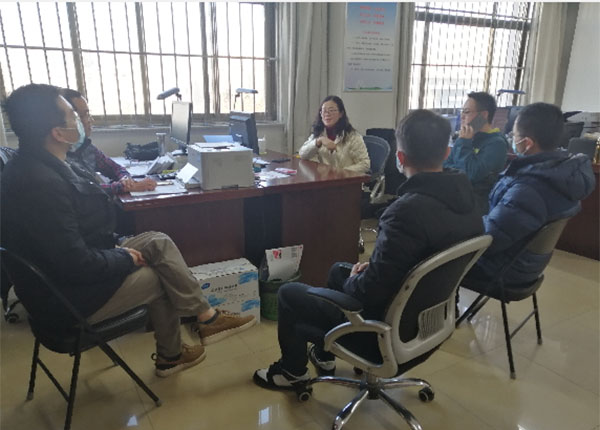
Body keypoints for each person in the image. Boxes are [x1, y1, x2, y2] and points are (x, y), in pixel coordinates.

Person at [1, 84, 256, 378]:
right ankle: (171, 356)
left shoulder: (42, 163)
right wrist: (123, 258)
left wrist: (117, 249)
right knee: (161, 275)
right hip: (66, 299)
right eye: (74, 115)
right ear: (57, 132)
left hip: (74, 270)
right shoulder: (39, 184)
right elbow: (75, 263)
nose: (82, 121)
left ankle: (207, 319)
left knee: (158, 242)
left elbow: (73, 237)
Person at [253, 109, 484, 390]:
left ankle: (291, 373)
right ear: (447, 153)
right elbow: (420, 261)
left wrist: (360, 279)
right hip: (427, 322)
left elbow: (368, 291)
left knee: (290, 293)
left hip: (385, 333)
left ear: (400, 158)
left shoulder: (406, 213)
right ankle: (324, 355)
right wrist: (372, 269)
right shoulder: (470, 202)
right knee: (339, 270)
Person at [465, 102, 595, 286]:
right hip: (527, 262)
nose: (512, 139)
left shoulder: (528, 189)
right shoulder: (562, 172)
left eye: (514, 136)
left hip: (504, 268)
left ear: (527, 143)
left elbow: (490, 240)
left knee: (435, 254)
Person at [61, 88, 156, 195]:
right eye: (83, 116)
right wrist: (123, 187)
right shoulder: (61, 155)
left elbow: (115, 168)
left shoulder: (85, 146)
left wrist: (126, 179)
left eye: (88, 114)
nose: (90, 120)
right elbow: (85, 189)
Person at [444, 91, 509, 214]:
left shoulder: (496, 144)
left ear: (483, 115)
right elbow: (446, 166)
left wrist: (464, 142)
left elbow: (469, 175)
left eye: (467, 112)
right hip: (455, 196)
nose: (462, 117)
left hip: (474, 205)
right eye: (462, 111)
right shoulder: (467, 136)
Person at [298, 95, 370, 173]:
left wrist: (339, 173)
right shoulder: (319, 133)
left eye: (331, 110)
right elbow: (302, 154)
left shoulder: (352, 136)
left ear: (341, 114)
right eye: (324, 111)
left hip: (347, 178)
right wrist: (318, 141)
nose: (327, 114)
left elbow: (365, 164)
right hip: (325, 178)